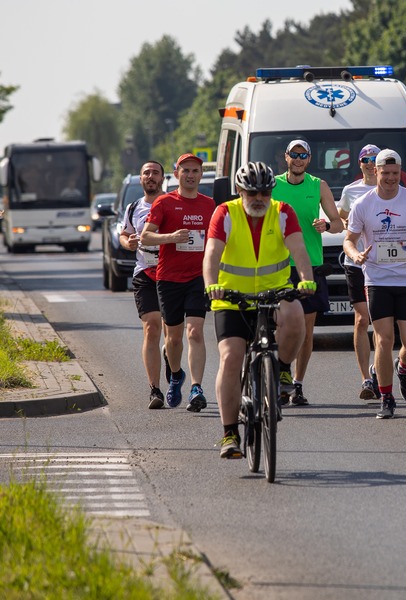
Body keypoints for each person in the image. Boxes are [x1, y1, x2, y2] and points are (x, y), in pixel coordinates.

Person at [203, 162, 316, 458]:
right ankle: (229, 433)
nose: (258, 198)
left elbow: (299, 250)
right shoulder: (225, 213)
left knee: (295, 317)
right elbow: (212, 254)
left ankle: (280, 369)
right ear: (239, 191)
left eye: (264, 192)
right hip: (231, 297)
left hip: (273, 293)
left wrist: (306, 280)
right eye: (251, 192)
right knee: (230, 358)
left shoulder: (282, 212)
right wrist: (211, 284)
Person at [343, 149, 406, 419]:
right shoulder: (363, 204)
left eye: (395, 174)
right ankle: (386, 396)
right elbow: (348, 239)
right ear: (376, 172)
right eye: (385, 173)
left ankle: (403, 368)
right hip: (377, 280)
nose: (390, 179)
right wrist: (355, 255)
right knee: (383, 340)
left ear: (400, 173)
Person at [141, 153, 215, 412]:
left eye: (195, 170)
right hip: (169, 278)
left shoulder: (210, 205)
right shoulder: (164, 202)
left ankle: (197, 388)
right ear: (176, 174)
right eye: (186, 171)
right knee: (173, 339)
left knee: (195, 331)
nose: (191, 175)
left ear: (201, 174)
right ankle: (175, 375)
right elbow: (145, 237)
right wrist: (171, 237)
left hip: (198, 277)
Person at [273, 139, 344, 407]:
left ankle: (298, 385)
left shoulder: (318, 186)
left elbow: (338, 224)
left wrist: (326, 224)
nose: (299, 159)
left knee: (306, 328)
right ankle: (281, 374)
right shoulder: (274, 185)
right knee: (282, 323)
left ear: (309, 159)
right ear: (287, 158)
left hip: (310, 265)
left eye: (304, 155)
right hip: (280, 264)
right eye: (295, 155)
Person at [118, 160, 167, 409]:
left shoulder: (171, 203)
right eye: (146, 173)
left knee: (173, 333)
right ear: (141, 179)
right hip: (144, 273)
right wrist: (129, 243)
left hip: (171, 273)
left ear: (162, 179)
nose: (150, 176)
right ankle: (155, 389)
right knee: (151, 328)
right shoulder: (133, 207)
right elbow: (123, 234)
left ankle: (171, 357)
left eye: (155, 173)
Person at [338, 144, 381, 401]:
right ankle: (366, 377)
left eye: (374, 159)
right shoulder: (350, 190)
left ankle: (379, 368)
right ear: (360, 163)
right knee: (361, 319)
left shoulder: (388, 190)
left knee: (380, 320)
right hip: (355, 263)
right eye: (365, 159)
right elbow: (342, 215)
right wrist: (349, 226)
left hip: (383, 264)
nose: (370, 163)